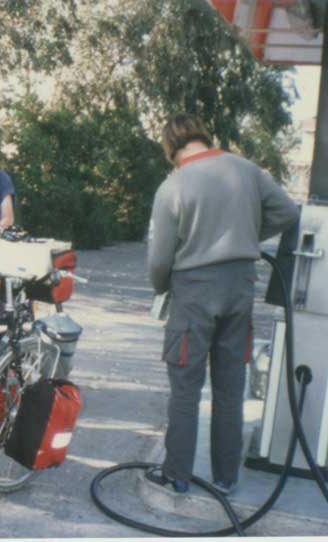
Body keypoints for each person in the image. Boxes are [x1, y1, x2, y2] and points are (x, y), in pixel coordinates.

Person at [146, 113, 298, 495]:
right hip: (239, 286)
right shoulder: (247, 170)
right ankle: (225, 478)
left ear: (171, 148)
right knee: (231, 387)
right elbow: (288, 212)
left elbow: (160, 258)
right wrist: (249, 236)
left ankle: (177, 475)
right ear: (203, 136)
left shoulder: (173, 185)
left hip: (193, 290)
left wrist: (162, 286)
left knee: (185, 386)